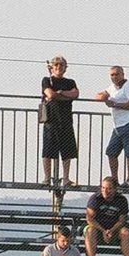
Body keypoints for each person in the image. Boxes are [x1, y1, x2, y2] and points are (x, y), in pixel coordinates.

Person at [39, 56, 81, 193]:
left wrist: (61, 93)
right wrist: (64, 96)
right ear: (52, 67)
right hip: (51, 120)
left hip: (66, 120)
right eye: (56, 65)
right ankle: (47, 178)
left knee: (67, 152)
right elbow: (50, 94)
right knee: (48, 150)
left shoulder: (70, 81)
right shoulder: (47, 80)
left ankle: (66, 178)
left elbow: (75, 94)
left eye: (61, 65)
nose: (59, 67)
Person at [99, 64, 129, 183]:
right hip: (118, 125)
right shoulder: (112, 87)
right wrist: (104, 97)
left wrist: (116, 104)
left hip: (128, 123)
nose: (114, 77)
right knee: (111, 152)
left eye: (117, 74)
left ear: (122, 74)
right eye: (112, 75)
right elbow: (100, 96)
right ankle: (115, 179)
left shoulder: (128, 86)